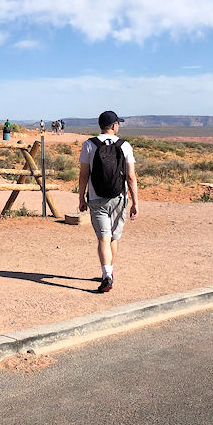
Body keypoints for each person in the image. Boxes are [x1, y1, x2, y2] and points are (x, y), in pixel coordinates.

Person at [78, 110, 138, 293]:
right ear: (113, 126)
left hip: (96, 198)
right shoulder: (125, 145)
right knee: (114, 237)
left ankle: (107, 274)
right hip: (119, 198)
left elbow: (83, 175)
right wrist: (135, 201)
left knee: (103, 237)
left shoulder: (89, 144)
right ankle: (109, 272)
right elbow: (131, 176)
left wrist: (81, 197)